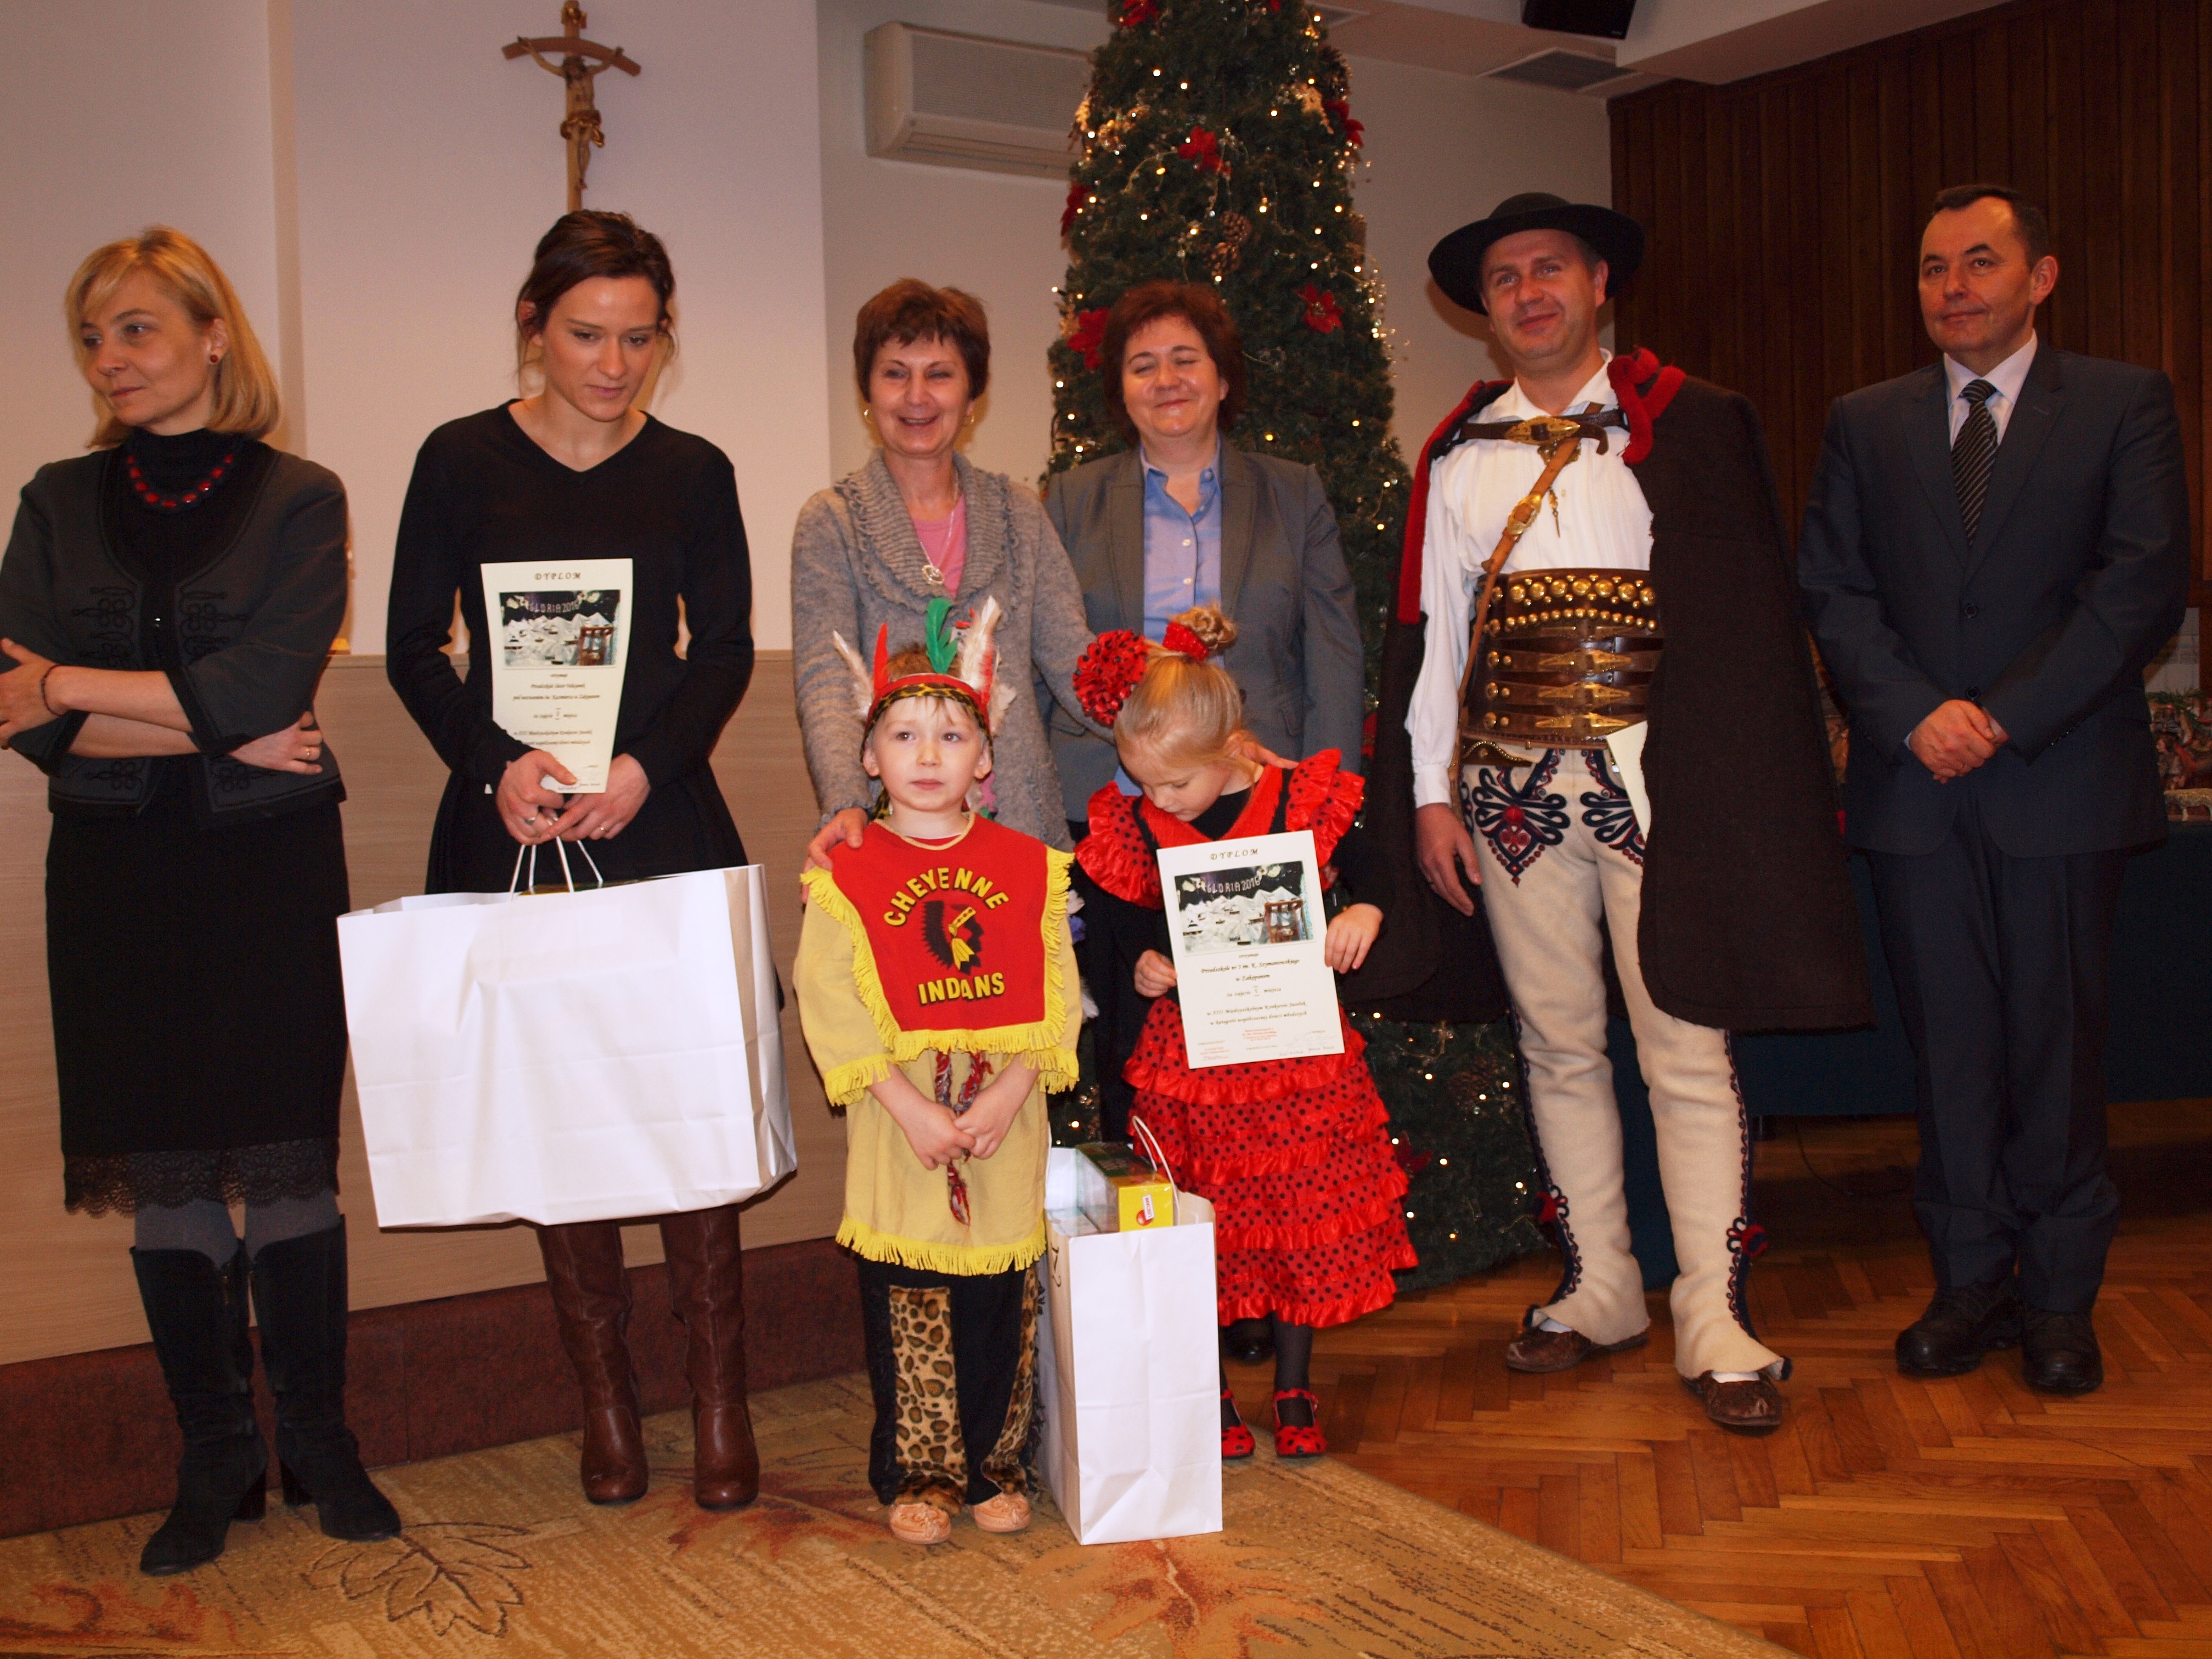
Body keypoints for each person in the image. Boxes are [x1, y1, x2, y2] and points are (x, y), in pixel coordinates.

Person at [1380, 193, 1870, 1433]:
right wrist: (1431, 796)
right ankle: (1601, 1284)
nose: (1528, 293)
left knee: (1684, 1045)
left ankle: (1713, 1308)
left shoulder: (1691, 426)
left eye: (1549, 269)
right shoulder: (1458, 453)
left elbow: (1747, 627)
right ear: (1484, 309)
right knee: (1556, 1043)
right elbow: (1437, 638)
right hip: (1507, 793)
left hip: (1662, 782)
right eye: (1504, 278)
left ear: (1599, 284)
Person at [0, 227, 397, 1574]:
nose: (110, 359)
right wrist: (197, 722)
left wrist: (72, 685)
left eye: (138, 328)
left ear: (213, 335)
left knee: (287, 1160)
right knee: (165, 1166)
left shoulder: (300, 494)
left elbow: (267, 687)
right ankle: (216, 1454)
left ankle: (321, 1442)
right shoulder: (56, 500)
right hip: (115, 877)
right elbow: (18, 712)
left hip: (267, 868)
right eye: (93, 337)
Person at [386, 210, 760, 1509]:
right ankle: (608, 1404)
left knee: (688, 1103)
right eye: (588, 336)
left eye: (639, 339)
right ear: (534, 327)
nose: (613, 364)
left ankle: (720, 1402)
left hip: (656, 815)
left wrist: (647, 765)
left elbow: (722, 649)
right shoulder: (459, 459)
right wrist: (493, 762)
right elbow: (410, 649)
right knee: (560, 1111)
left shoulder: (694, 470)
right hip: (516, 824)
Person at [1799, 185, 2190, 1395]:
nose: (1953, 287)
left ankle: (2061, 1298)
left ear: (2040, 277)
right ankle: (1967, 1282)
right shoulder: (1865, 421)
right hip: (1916, 790)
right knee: (1952, 1053)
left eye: (1979, 262)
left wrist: (2005, 715)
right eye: (1933, 268)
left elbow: (2140, 585)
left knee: (2056, 1054)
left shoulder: (2122, 403)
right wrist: (1916, 712)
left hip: (2058, 784)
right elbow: (1833, 589)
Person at [1070, 606, 1413, 1459]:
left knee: (1296, 1213)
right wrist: (1148, 964)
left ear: (1228, 750)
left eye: (1174, 785)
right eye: (1142, 783)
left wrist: (1364, 910)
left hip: (1294, 1055)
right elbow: (1130, 924)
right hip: (1193, 1063)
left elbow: (1375, 865)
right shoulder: (1136, 823)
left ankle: (1294, 1386)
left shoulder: (1297, 796)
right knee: (1203, 1221)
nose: (1157, 800)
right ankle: (1212, 1391)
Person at [795, 601, 1077, 1545]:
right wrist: (907, 1104)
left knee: (1000, 1302)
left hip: (1004, 1120)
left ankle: (995, 1464)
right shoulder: (846, 871)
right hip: (901, 1124)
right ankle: (919, 1471)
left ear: (983, 759)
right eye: (904, 735)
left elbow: (1057, 987)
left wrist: (1011, 1089)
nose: (927, 754)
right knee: (911, 1304)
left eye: (951, 736)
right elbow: (827, 992)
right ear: (869, 756)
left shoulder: (1030, 867)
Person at [796, 281, 1098, 864]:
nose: (917, 397)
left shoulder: (1019, 513)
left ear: (971, 394)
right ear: (867, 391)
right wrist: (846, 801)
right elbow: (825, 682)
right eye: (895, 374)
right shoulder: (831, 522)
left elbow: (1076, 663)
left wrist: (1199, 733)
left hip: (1022, 835)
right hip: (893, 836)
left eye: (939, 374)